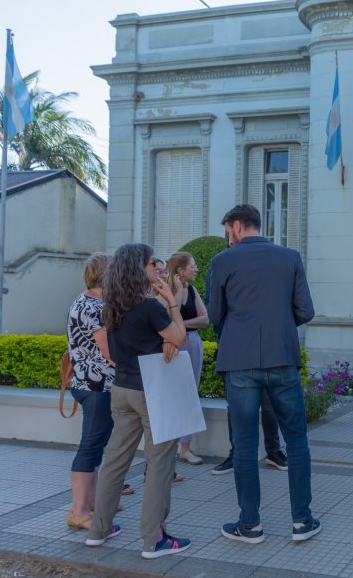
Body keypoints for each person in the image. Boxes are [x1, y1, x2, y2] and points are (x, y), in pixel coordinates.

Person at [208, 204, 319, 544]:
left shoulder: (222, 262)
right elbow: (306, 311)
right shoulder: (290, 257)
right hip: (282, 356)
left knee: (244, 444)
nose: (228, 239)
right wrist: (278, 326)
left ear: (238, 226)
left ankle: (250, 524)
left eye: (228, 232)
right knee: (296, 440)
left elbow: (215, 315)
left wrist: (242, 332)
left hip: (239, 362)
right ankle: (302, 521)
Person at [85, 243, 191, 560]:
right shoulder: (149, 307)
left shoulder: (112, 306)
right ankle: (154, 540)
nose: (156, 267)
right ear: (137, 269)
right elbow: (180, 337)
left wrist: (162, 342)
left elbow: (112, 344)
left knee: (115, 462)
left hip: (122, 390)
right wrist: (172, 301)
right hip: (151, 391)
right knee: (159, 465)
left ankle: (98, 530)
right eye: (151, 263)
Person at [207, 233, 288, 476]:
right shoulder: (220, 264)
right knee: (237, 405)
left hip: (267, 347)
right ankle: (237, 454)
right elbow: (215, 308)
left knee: (269, 403)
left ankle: (273, 450)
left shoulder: (270, 264)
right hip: (235, 349)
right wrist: (231, 336)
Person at [66, 253, 117, 530]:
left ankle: (92, 502)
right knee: (90, 446)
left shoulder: (92, 301)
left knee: (95, 445)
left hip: (92, 383)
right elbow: (110, 352)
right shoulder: (93, 306)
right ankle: (78, 511)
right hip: (96, 385)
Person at [166, 252, 209, 466]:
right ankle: (169, 447)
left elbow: (205, 319)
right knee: (173, 395)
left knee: (190, 393)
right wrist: (178, 290)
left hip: (192, 343)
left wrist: (182, 325)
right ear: (180, 271)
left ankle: (185, 447)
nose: (196, 269)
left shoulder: (192, 290)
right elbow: (168, 316)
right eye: (192, 266)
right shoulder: (166, 292)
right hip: (172, 345)